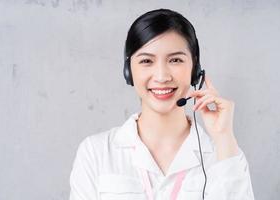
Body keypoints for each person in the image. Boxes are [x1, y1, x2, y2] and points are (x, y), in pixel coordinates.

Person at [69, 8, 255, 200]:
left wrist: (224, 137)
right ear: (128, 71)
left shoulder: (224, 154)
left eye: (175, 60)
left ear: (195, 69)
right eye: (146, 61)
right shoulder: (96, 151)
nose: (162, 76)